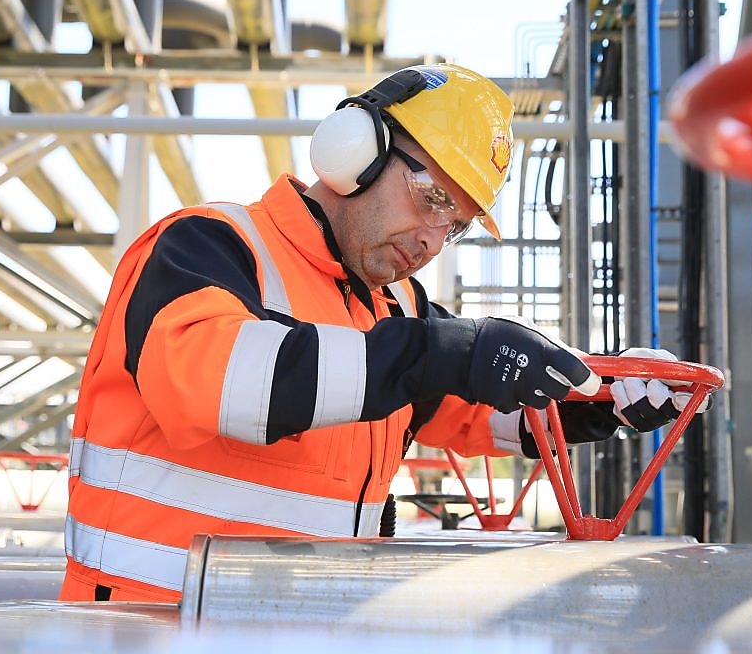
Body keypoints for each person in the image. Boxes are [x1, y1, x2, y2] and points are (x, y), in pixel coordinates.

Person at [61, 63, 702, 603]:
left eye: (455, 227)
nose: (431, 242)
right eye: (432, 199)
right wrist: (438, 353)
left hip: (304, 629)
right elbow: (219, 383)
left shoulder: (394, 309)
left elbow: (472, 403)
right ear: (355, 151)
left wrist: (601, 396)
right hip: (145, 624)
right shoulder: (209, 245)